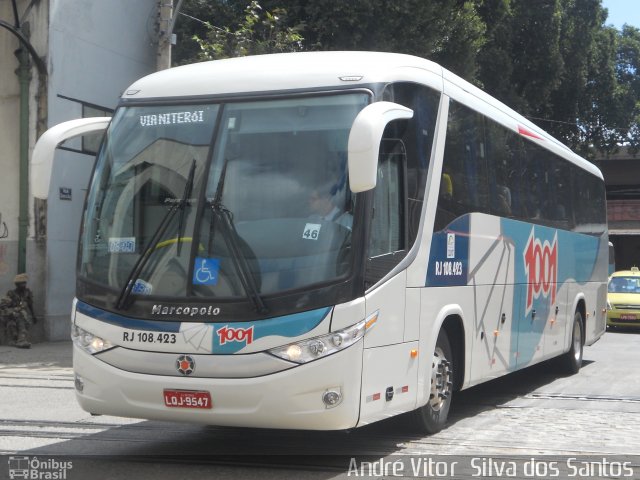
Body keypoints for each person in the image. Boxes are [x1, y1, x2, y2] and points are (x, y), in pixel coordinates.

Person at [0, 273, 36, 348]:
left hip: (22, 314)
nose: (24, 285)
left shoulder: (27, 292)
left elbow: (30, 304)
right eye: (21, 283)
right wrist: (11, 312)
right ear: (17, 284)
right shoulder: (11, 293)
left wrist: (34, 316)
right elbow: (3, 306)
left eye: (24, 283)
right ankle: (20, 341)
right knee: (14, 321)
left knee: (21, 318)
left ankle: (19, 340)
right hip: (10, 314)